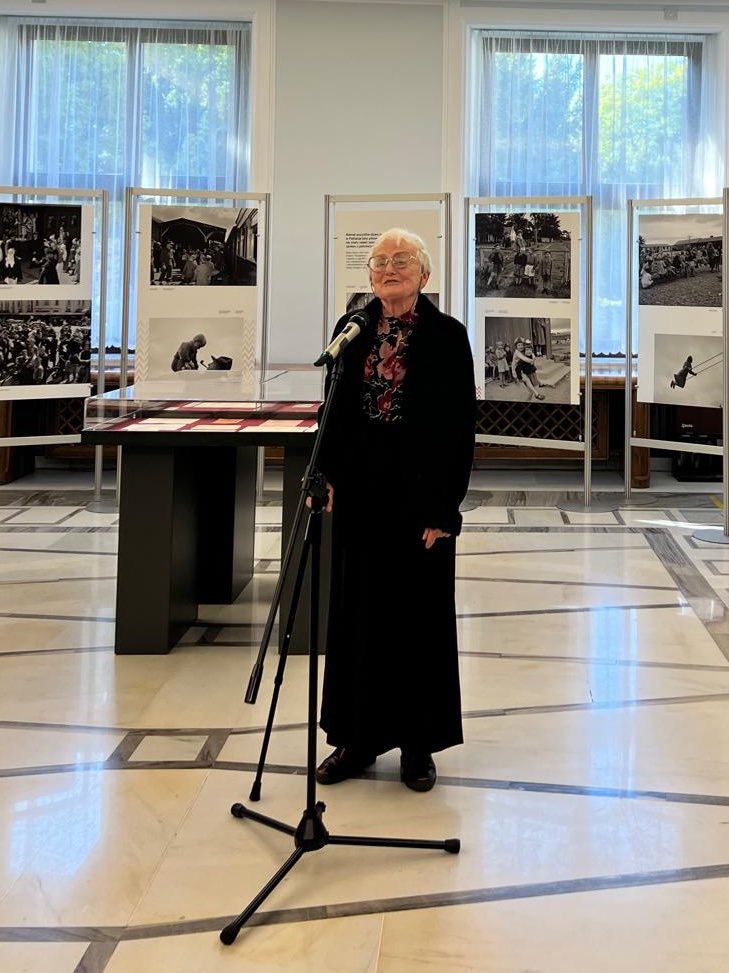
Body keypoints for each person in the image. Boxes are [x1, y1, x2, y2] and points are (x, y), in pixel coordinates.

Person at [314, 228, 476, 793]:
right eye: (379, 260)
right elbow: (332, 412)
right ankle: (356, 739)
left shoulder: (448, 336)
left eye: (401, 259)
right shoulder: (351, 329)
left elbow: (460, 427)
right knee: (357, 615)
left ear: (424, 274)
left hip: (419, 494)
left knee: (416, 620)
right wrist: (326, 475)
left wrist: (445, 508)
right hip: (360, 493)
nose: (388, 268)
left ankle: (416, 744)